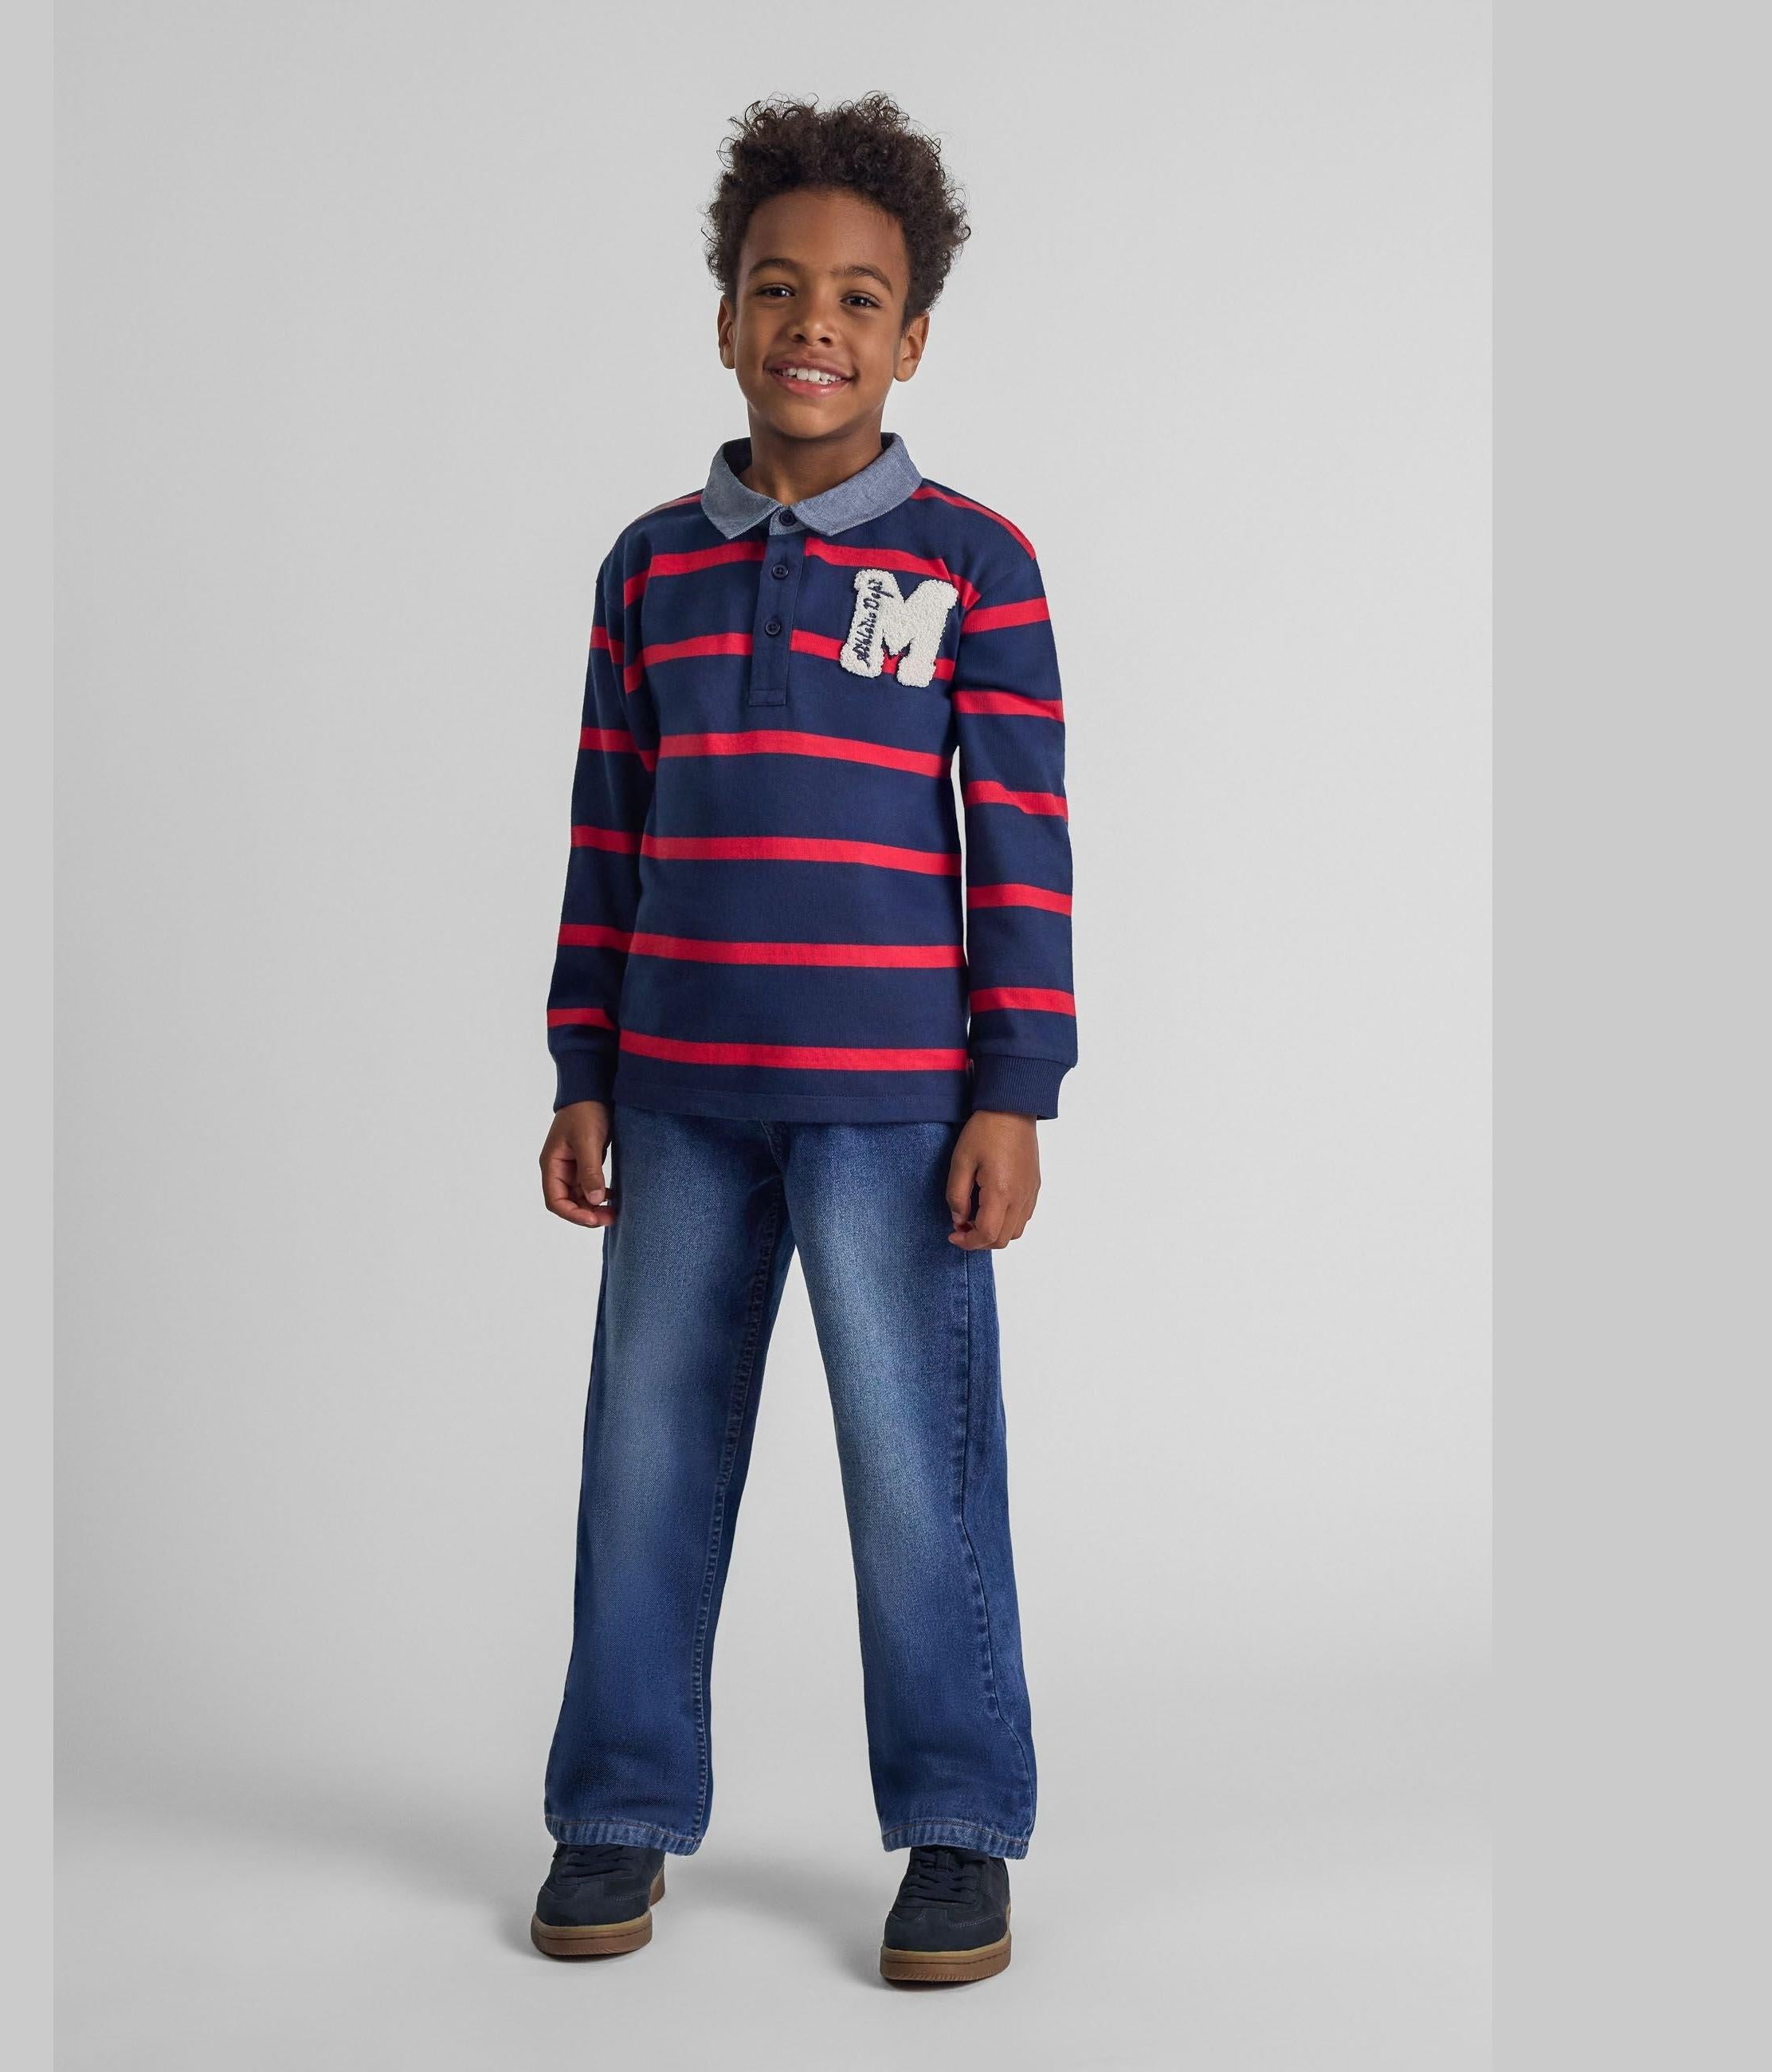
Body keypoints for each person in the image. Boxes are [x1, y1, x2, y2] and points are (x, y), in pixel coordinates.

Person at [530, 92, 1076, 1988]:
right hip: (676, 1095)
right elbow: (607, 830)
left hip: (888, 1109)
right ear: (724, 317)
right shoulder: (648, 568)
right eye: (777, 288)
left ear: (911, 336)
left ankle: (956, 1825)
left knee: (914, 1460)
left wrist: (1014, 1091)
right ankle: (614, 1802)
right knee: (647, 1454)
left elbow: (1019, 845)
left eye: (857, 296)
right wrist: (578, 1063)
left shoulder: (970, 569)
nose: (812, 324)